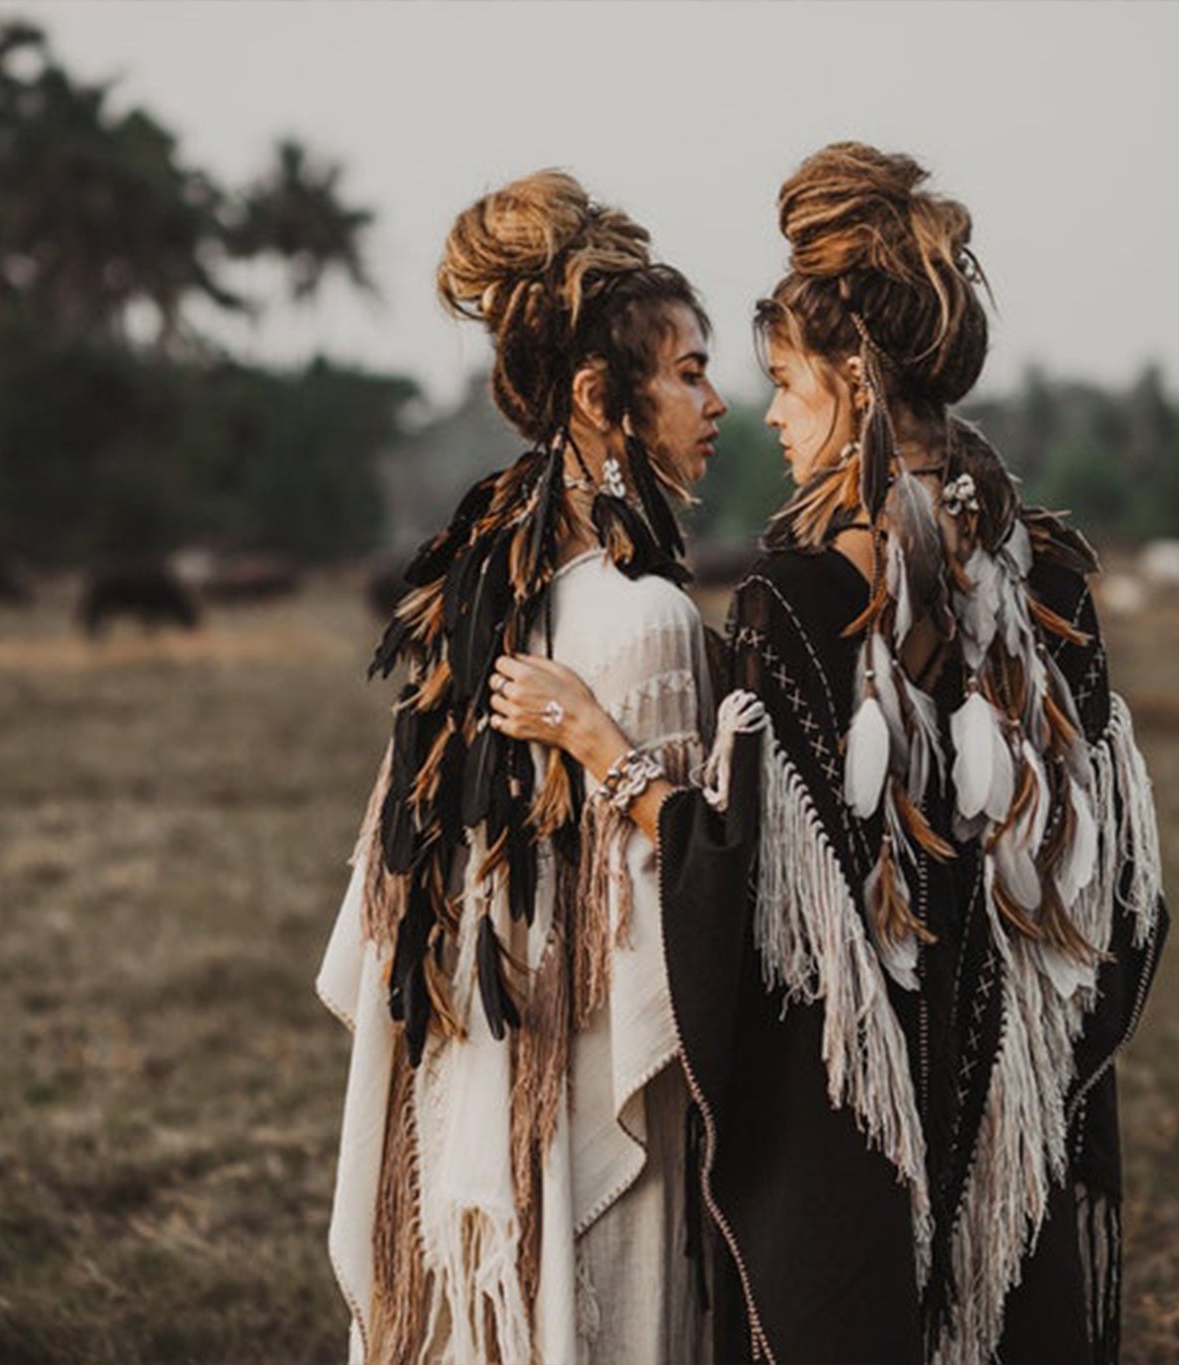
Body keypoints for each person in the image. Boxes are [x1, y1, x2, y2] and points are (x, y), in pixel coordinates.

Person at [491, 142, 1167, 1364]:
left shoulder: (799, 600)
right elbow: (1113, 889)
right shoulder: (1051, 580)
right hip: (1017, 1119)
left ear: (850, 384)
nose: (770, 417)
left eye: (785, 385)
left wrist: (603, 749)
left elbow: (745, 885)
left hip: (860, 1146)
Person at [317, 169, 728, 1364]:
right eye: (689, 371)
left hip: (480, 1083)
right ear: (600, 397)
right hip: (601, 1099)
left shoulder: (480, 594)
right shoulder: (648, 619)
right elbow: (683, 915)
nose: (715, 402)